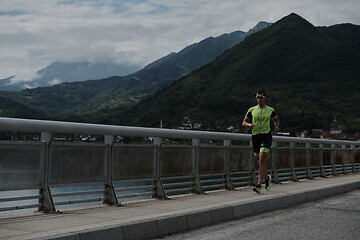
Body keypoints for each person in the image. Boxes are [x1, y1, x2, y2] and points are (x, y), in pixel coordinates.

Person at [242, 90, 280, 194]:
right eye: (257, 97)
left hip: (266, 136)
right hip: (255, 137)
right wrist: (249, 125)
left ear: (265, 98)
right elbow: (244, 122)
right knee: (259, 161)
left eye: (261, 97)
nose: (259, 99)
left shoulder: (270, 110)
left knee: (262, 158)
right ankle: (267, 178)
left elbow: (276, 119)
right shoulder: (252, 109)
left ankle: (259, 185)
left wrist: (276, 125)